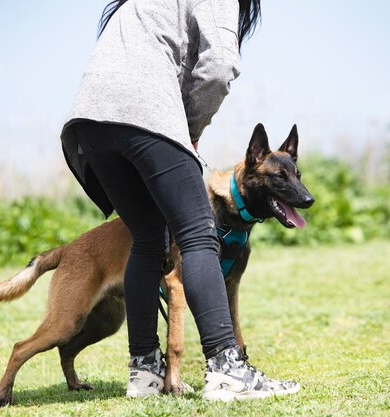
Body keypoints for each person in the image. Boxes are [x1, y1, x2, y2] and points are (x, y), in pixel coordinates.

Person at [60, 0, 300, 401]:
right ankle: (228, 371)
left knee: (148, 239)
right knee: (200, 235)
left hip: (90, 122)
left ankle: (144, 374)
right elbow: (219, 66)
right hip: (144, 113)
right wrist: (189, 128)